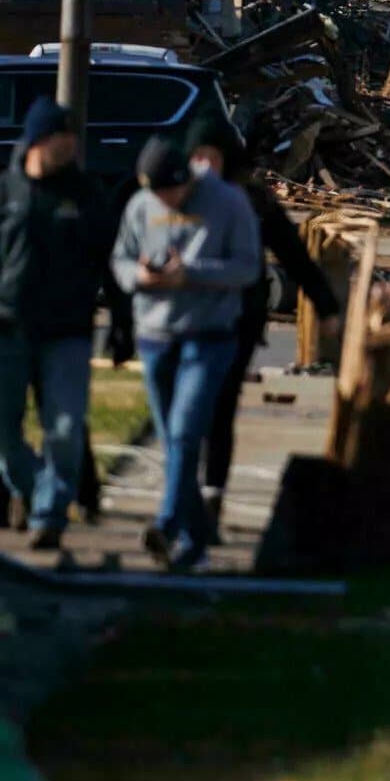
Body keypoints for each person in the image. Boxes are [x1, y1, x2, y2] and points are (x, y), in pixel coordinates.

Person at [185, 120, 338, 544]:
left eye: (209, 157)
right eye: (195, 156)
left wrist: (325, 305)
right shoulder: (180, 195)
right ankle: (186, 498)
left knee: (219, 405)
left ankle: (211, 496)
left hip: (239, 319)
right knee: (188, 411)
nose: (201, 165)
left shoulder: (251, 200)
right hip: (187, 319)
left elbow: (294, 254)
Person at [112, 135, 259, 570]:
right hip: (155, 334)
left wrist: (190, 274)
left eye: (169, 193)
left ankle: (168, 523)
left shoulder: (228, 201)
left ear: (184, 180)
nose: (163, 202)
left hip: (208, 335)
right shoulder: (141, 205)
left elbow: (248, 267)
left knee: (184, 432)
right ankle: (196, 543)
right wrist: (138, 276)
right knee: (176, 444)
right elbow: (119, 259)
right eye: (155, 194)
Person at [0, 99, 115, 551]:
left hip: (66, 330)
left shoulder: (86, 194)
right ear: (35, 141)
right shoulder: (7, 190)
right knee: (5, 436)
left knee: (65, 429)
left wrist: (122, 320)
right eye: (58, 139)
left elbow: (109, 260)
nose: (67, 148)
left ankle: (49, 514)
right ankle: (30, 490)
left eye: (71, 140)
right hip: (7, 326)